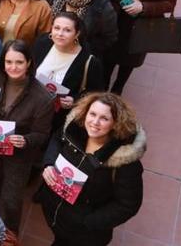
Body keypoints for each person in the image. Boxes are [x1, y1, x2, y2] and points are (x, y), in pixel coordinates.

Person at [36, 92, 145, 246]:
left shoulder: (125, 163)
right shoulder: (72, 130)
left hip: (85, 235)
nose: (95, 122)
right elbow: (56, 140)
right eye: (92, 114)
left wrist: (88, 221)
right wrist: (48, 164)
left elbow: (128, 205)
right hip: (56, 215)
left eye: (104, 118)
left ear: (116, 123)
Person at [0, 40, 54, 235]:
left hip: (19, 152)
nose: (13, 67)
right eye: (8, 62)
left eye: (19, 62)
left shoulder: (42, 98)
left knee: (11, 198)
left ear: (29, 62)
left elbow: (42, 134)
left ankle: (8, 236)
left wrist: (26, 140)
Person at [33, 12, 107, 130]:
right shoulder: (42, 43)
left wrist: (74, 99)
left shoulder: (89, 61)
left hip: (58, 118)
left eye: (67, 30)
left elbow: (96, 93)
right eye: (56, 28)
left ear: (77, 33)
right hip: (33, 108)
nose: (60, 34)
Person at [43, 0, 118, 59]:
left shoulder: (101, 5)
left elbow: (109, 37)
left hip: (79, 56)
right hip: (49, 49)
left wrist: (82, 49)